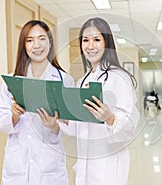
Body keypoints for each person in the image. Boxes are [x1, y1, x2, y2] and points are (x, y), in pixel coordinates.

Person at [60, 17, 140, 185]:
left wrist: (110, 118)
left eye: (96, 40)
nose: (90, 46)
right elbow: (79, 126)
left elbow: (131, 126)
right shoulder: (82, 81)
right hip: (85, 165)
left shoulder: (119, 78)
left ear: (107, 42)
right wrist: (61, 116)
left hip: (108, 168)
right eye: (85, 40)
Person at [0, 20, 74, 185]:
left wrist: (54, 125)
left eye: (42, 39)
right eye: (30, 40)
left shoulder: (64, 80)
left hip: (49, 168)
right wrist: (14, 115)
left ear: (50, 43)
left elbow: (72, 126)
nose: (36, 45)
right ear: (24, 45)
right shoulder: (12, 82)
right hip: (17, 166)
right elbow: (0, 123)